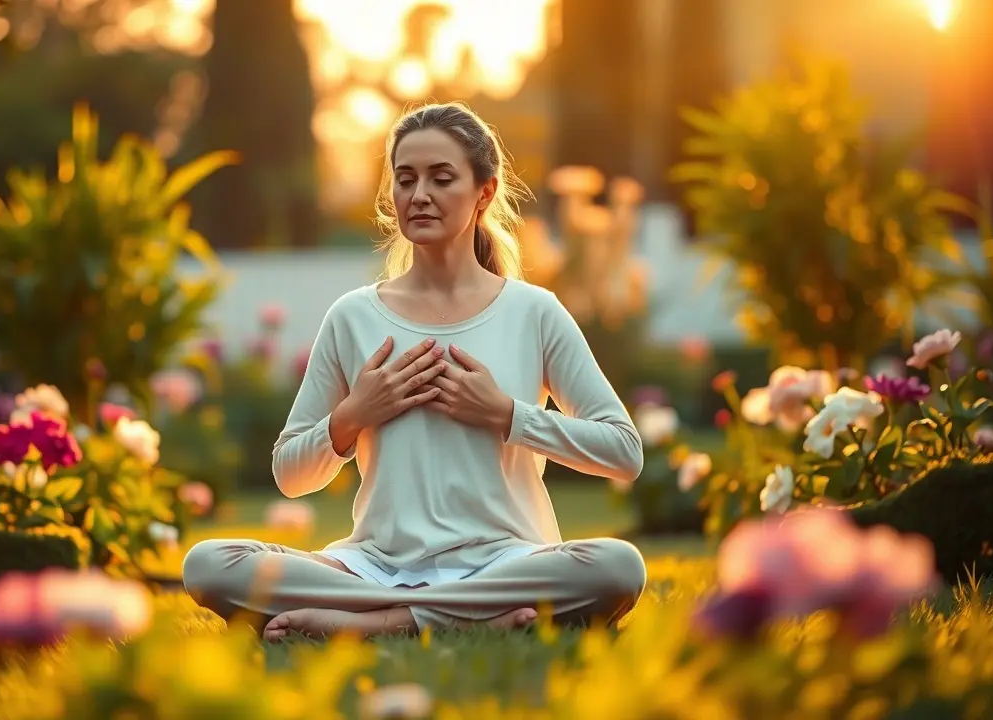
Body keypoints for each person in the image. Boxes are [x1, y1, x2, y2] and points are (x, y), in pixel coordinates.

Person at [183, 102, 647, 641]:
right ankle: (464, 618)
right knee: (208, 564)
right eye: (405, 179)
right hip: (375, 567)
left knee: (619, 568)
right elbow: (290, 474)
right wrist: (353, 415)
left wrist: (506, 415)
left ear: (485, 192)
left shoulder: (534, 312)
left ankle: (384, 623)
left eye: (441, 178)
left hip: (506, 563)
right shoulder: (353, 316)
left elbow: (624, 452)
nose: (418, 194)